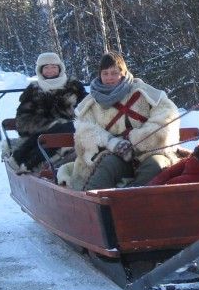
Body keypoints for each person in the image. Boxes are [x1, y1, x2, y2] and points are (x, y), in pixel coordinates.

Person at [57, 52, 179, 190]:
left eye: (114, 73)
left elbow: (167, 116)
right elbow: (84, 130)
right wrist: (112, 143)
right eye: (105, 73)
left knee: (156, 165)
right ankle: (91, 201)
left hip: (148, 153)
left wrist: (137, 140)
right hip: (111, 155)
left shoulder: (143, 92)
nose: (109, 78)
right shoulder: (90, 103)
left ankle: (133, 198)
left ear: (123, 73)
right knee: (108, 165)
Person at [8, 52, 85, 173]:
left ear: (59, 68)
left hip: (75, 132)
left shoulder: (74, 87)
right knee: (61, 130)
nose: (50, 71)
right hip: (44, 137)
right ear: (40, 70)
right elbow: (23, 121)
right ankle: (30, 162)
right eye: (46, 67)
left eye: (53, 67)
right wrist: (53, 126)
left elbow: (86, 106)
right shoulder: (33, 91)